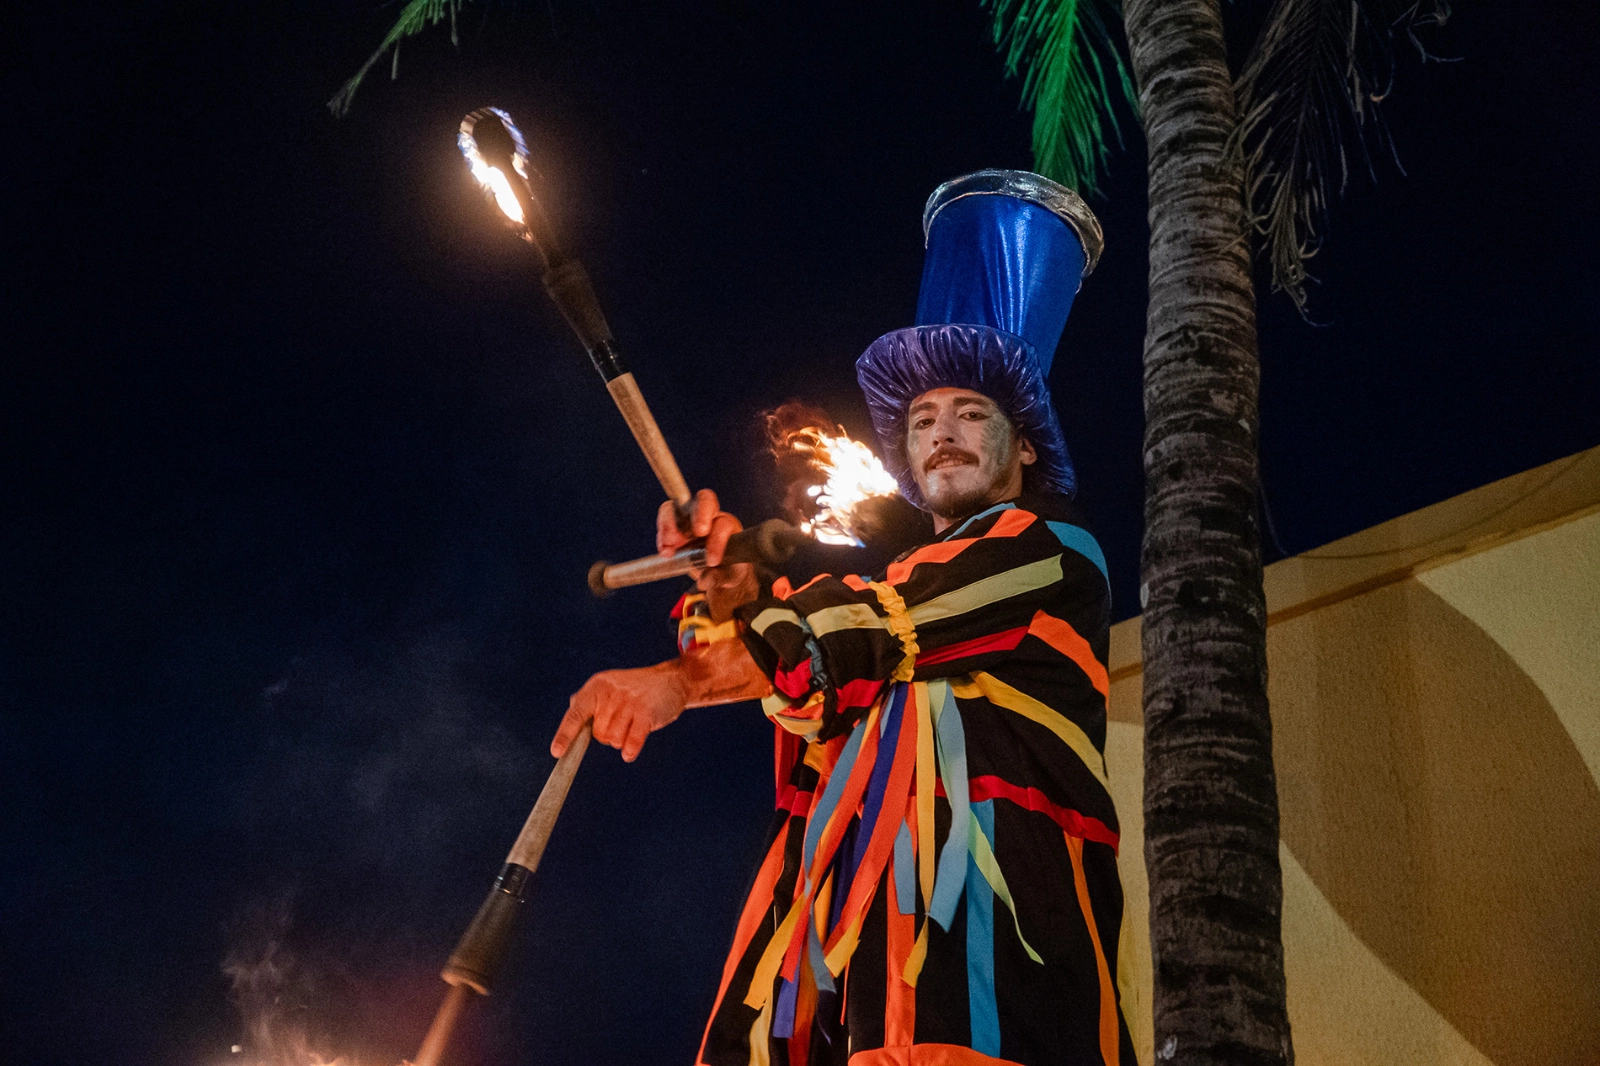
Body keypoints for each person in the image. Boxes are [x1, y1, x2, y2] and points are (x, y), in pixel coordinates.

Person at [553, 171, 1134, 1066]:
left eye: (972, 413)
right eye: (924, 416)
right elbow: (806, 698)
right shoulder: (897, 608)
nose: (940, 429)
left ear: (1023, 448)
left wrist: (678, 682)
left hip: (994, 991)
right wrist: (723, 591)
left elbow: (868, 628)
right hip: (859, 994)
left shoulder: (1051, 549)